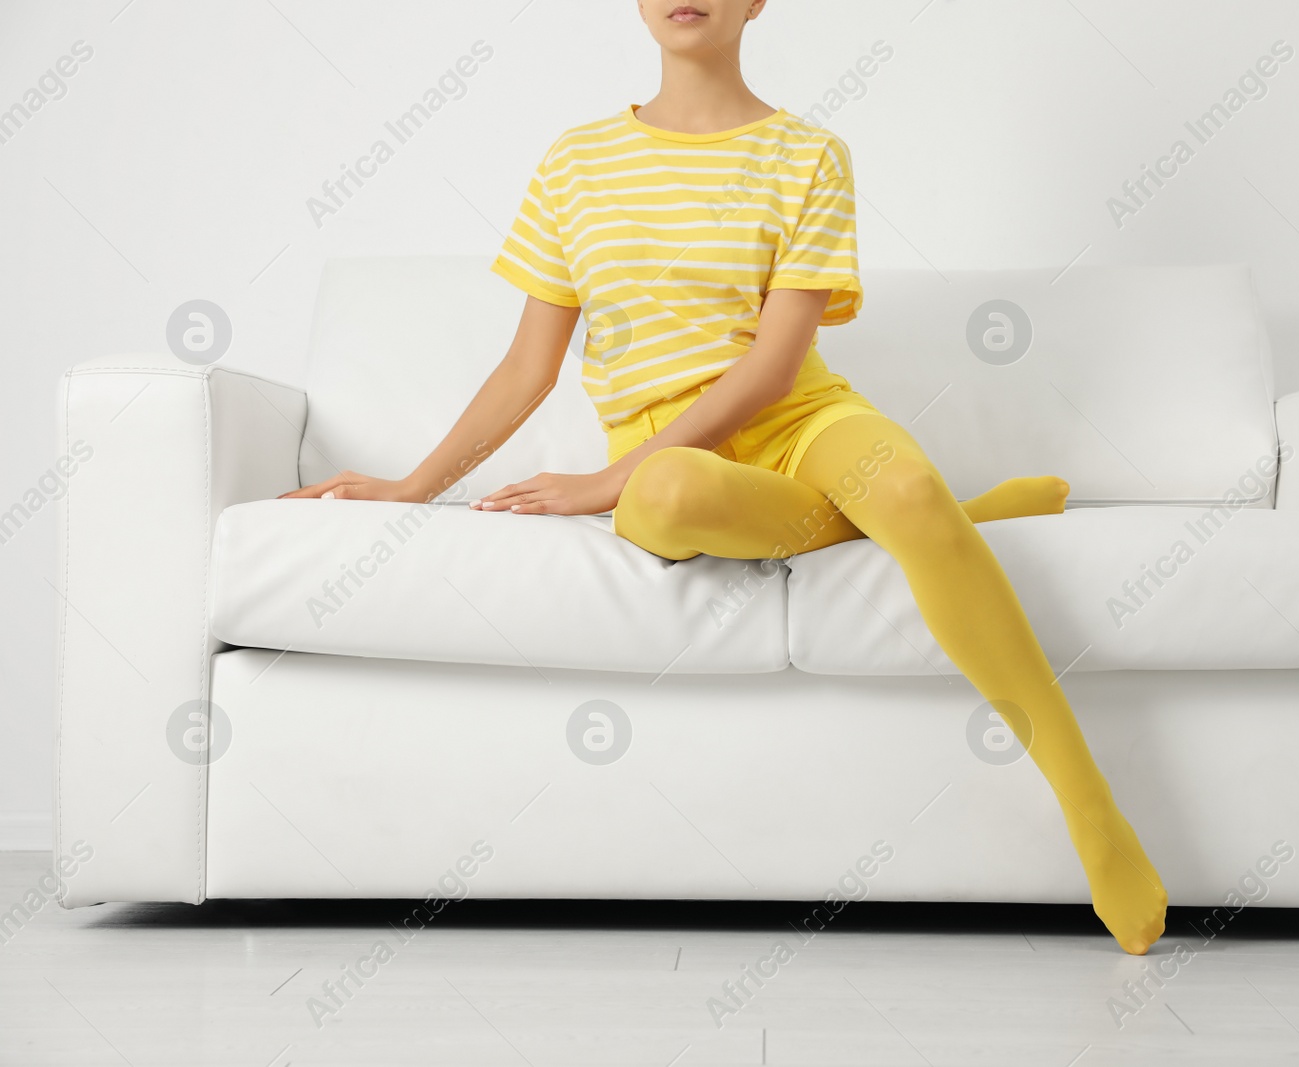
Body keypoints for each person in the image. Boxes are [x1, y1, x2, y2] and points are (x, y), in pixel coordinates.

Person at [283, 0, 1167, 955]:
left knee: (900, 485)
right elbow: (527, 369)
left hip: (802, 423)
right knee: (666, 494)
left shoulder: (810, 154)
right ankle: (958, 518)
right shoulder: (575, 162)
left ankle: (1092, 807)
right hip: (672, 460)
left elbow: (774, 371)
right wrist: (415, 487)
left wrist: (603, 477)